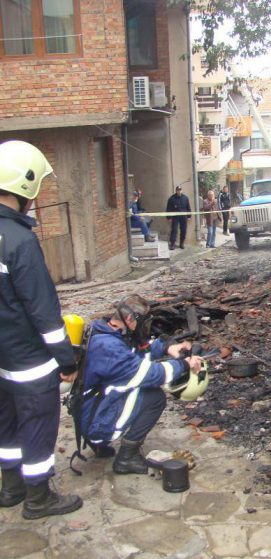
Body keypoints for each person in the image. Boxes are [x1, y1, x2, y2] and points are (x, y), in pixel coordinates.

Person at [0, 140, 83, 519]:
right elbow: (44, 314)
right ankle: (38, 498)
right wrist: (66, 359)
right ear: (25, 188)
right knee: (36, 423)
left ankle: (11, 489)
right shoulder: (20, 242)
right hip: (29, 361)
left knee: (6, 422)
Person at [80, 294, 203, 474]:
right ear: (130, 319)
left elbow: (136, 354)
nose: (143, 329)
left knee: (143, 390)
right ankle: (126, 458)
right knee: (154, 397)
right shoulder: (108, 346)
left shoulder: (110, 333)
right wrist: (184, 364)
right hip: (94, 419)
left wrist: (167, 347)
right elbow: (147, 374)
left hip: (92, 407)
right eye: (142, 323)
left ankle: (100, 445)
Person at [165, 185, 191, 250]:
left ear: (181, 190)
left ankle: (181, 243)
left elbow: (188, 207)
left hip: (183, 217)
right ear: (176, 191)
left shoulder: (185, 198)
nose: (179, 191)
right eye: (178, 190)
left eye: (180, 190)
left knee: (183, 230)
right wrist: (169, 217)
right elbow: (168, 208)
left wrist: (189, 216)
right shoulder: (172, 198)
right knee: (174, 230)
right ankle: (172, 244)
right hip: (175, 217)